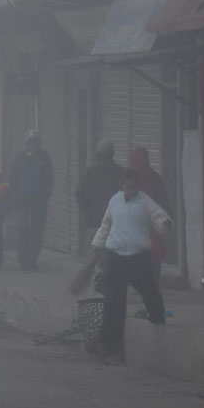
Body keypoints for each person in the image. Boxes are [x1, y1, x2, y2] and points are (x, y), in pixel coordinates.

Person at [91, 169, 173, 365]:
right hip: (116, 257)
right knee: (114, 302)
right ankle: (110, 347)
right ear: (122, 186)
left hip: (138, 258)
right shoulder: (114, 201)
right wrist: (96, 246)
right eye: (127, 187)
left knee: (149, 290)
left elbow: (160, 217)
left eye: (134, 187)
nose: (130, 191)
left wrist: (165, 224)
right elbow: (105, 226)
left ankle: (158, 318)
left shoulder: (145, 202)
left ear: (138, 187)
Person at [9, 131, 53, 271]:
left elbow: (49, 179)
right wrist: (15, 196)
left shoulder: (44, 157)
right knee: (23, 230)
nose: (33, 146)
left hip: (39, 202)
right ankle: (23, 259)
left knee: (37, 231)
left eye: (36, 143)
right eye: (31, 143)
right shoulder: (19, 157)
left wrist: (45, 195)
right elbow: (12, 178)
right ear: (27, 144)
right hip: (22, 201)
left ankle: (33, 260)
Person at [76, 140, 125, 257]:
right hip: (116, 223)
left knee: (93, 258)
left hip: (94, 221)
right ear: (113, 154)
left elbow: (79, 193)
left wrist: (85, 213)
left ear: (98, 154)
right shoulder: (122, 172)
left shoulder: (90, 172)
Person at [129, 147, 169, 276]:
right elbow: (164, 202)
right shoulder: (156, 179)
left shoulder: (128, 181)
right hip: (153, 227)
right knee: (154, 254)